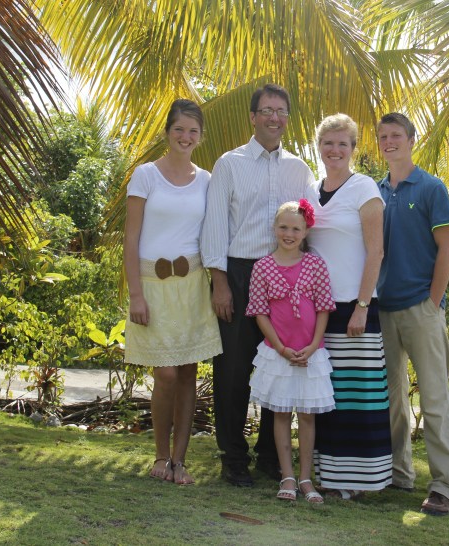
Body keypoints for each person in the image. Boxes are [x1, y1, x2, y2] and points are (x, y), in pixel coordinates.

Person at [201, 83, 315, 487]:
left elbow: (313, 225)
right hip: (238, 274)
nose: (274, 118)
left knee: (277, 367)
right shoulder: (229, 164)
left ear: (287, 118)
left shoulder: (299, 169)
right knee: (232, 369)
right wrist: (220, 282)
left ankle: (270, 455)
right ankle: (233, 457)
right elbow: (215, 225)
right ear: (253, 117)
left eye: (281, 111)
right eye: (266, 110)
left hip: (284, 277)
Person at [124, 99, 222, 485]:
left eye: (193, 131)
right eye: (179, 129)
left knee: (186, 373)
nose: (185, 136)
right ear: (167, 132)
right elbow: (131, 239)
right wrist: (136, 294)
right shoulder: (145, 175)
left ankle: (179, 461)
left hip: (193, 284)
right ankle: (160, 455)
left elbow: (213, 233)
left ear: (200, 136)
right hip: (152, 285)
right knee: (164, 373)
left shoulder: (208, 180)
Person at [376, 112, 449, 515]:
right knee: (391, 399)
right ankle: (399, 473)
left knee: (435, 399)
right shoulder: (374, 191)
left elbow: (447, 248)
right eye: (382, 136)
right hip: (382, 310)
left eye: (396, 135)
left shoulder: (431, 187)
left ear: (412, 140)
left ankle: (444, 485)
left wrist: (432, 302)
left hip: (421, 310)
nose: (389, 142)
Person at [308, 113, 393, 499]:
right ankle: (330, 478)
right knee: (328, 395)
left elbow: (376, 251)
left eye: (343, 143)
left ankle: (363, 482)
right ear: (319, 147)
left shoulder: (364, 188)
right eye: (328, 143)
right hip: (319, 311)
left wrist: (362, 306)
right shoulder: (310, 191)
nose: (335, 150)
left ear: (353, 149)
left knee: (360, 396)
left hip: (355, 308)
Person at [245, 200, 336, 503]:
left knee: (307, 416)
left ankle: (306, 478)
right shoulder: (263, 267)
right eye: (283, 227)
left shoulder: (315, 265)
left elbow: (324, 308)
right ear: (274, 228)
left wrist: (313, 346)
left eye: (296, 228)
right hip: (278, 353)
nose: (289, 233)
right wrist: (282, 348)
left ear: (305, 231)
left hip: (311, 353)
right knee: (281, 414)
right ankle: (287, 476)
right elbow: (259, 312)